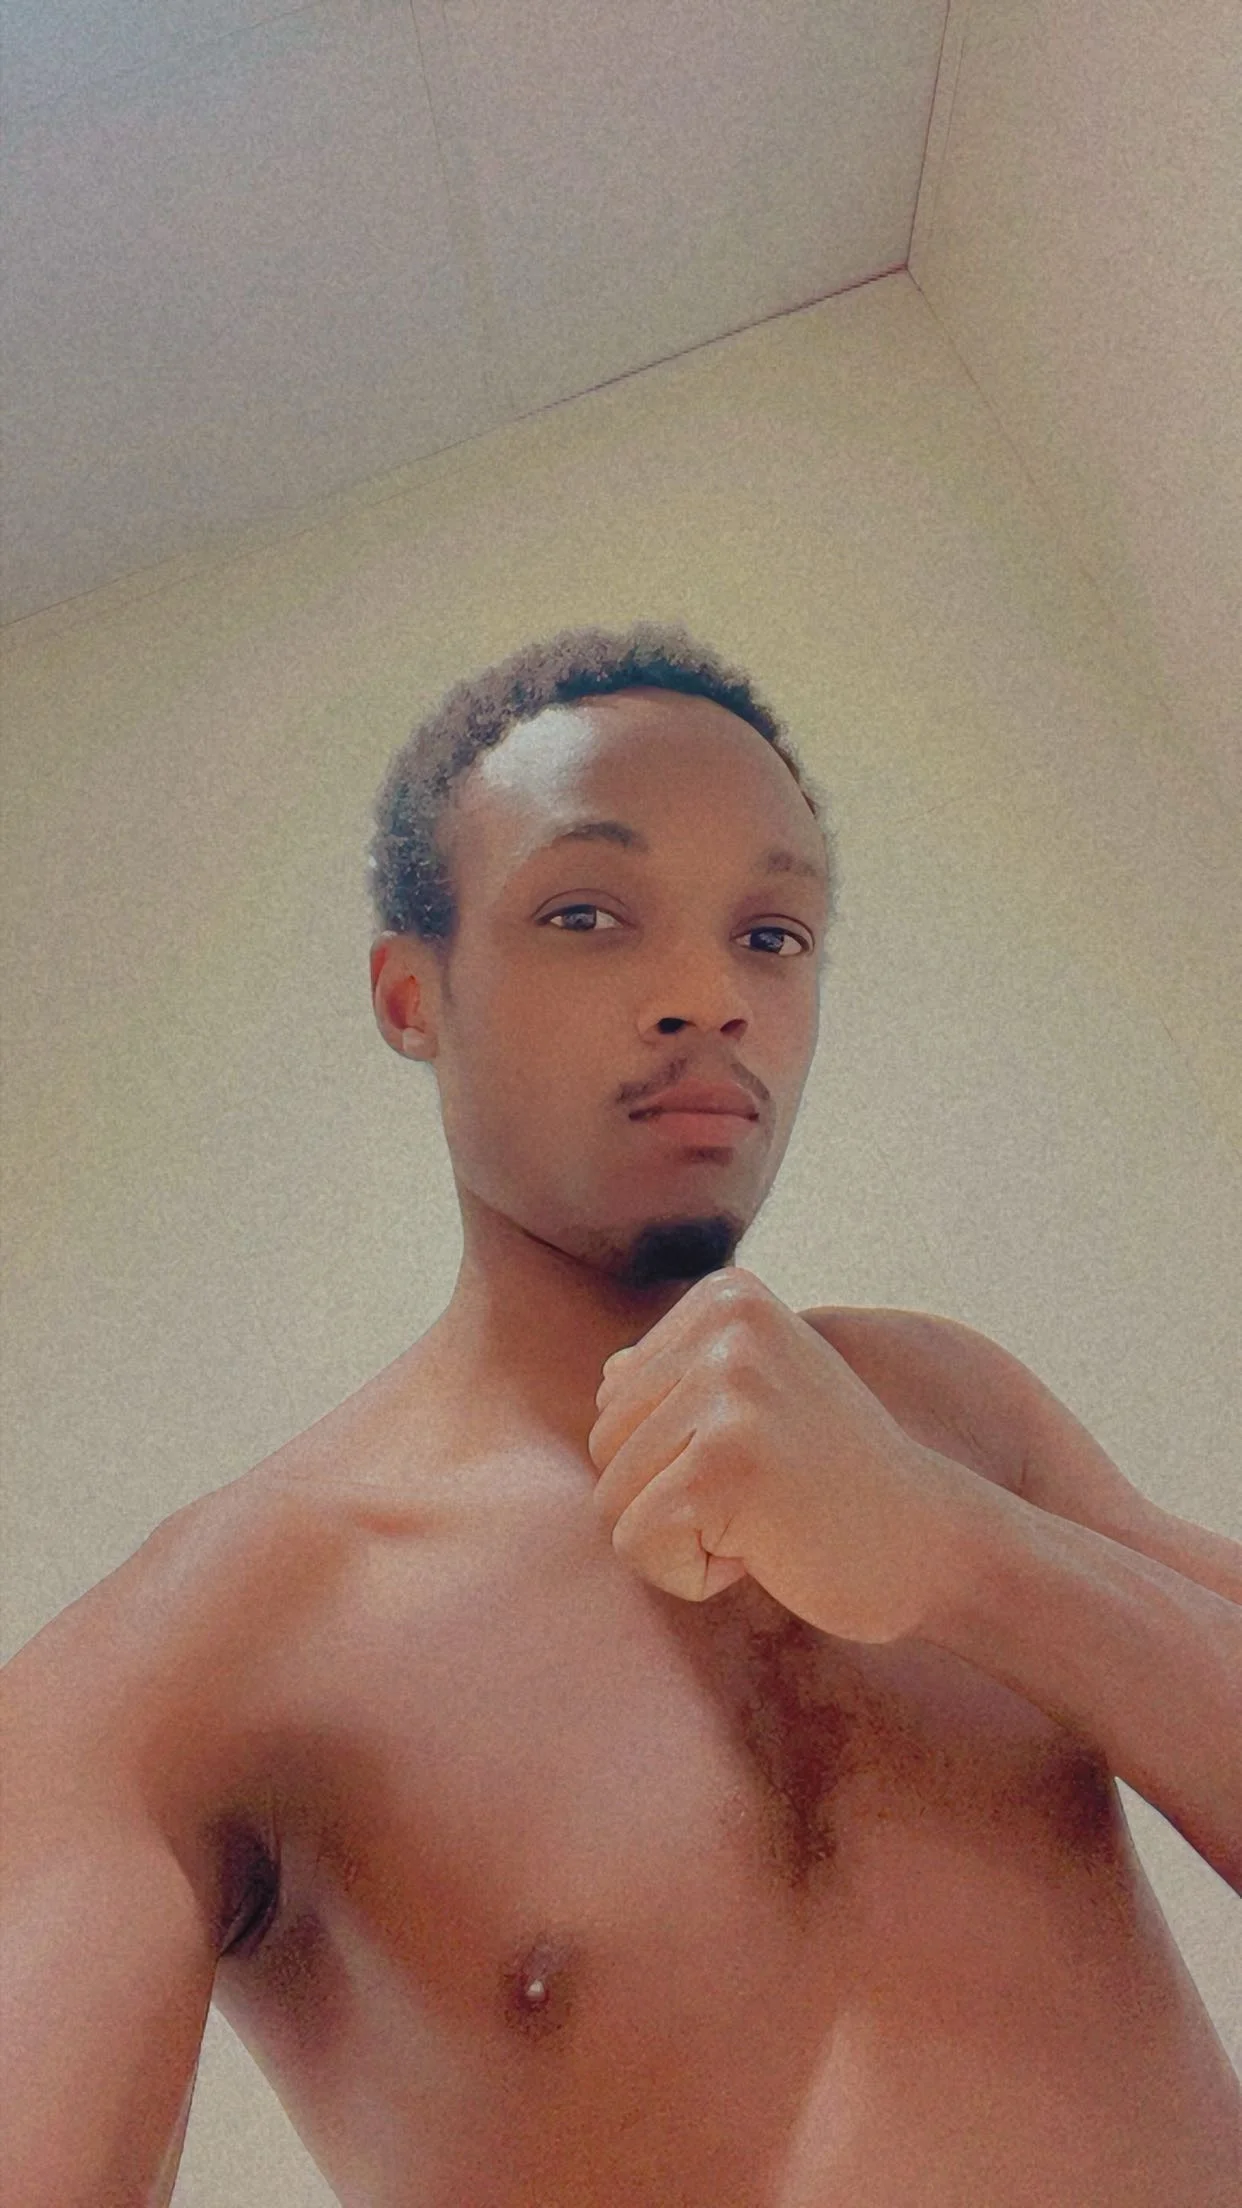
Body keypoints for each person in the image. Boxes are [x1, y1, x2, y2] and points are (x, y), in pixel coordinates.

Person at [2, 621, 1239, 2207]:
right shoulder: (194, 1656)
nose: (707, 996)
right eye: (586, 914)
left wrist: (958, 1554)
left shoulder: (958, 1415)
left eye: (772, 935)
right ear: (411, 993)